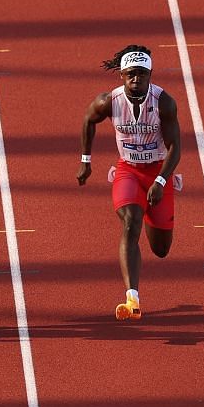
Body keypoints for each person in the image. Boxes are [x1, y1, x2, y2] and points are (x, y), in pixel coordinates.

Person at [78, 46, 182, 321]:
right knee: (129, 222)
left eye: (142, 74)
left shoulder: (163, 103)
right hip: (128, 171)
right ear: (122, 76)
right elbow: (89, 120)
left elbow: (175, 147)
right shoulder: (108, 102)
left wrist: (160, 180)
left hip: (158, 172)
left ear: (150, 75)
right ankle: (132, 298)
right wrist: (85, 160)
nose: (136, 80)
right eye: (131, 74)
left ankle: (151, 214)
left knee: (160, 249)